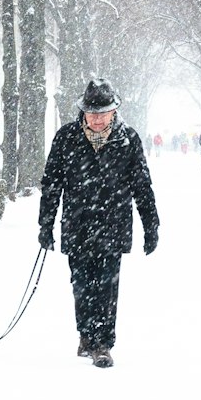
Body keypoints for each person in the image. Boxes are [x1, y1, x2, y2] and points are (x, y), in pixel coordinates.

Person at [38, 77, 159, 369]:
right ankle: (86, 336)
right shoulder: (66, 138)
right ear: (83, 112)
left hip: (113, 225)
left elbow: (142, 185)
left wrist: (151, 225)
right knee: (81, 285)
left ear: (113, 111)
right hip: (77, 225)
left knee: (106, 286)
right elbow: (52, 184)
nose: (97, 118)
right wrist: (45, 225)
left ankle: (103, 343)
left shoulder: (128, 139)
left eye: (102, 112)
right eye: (92, 113)